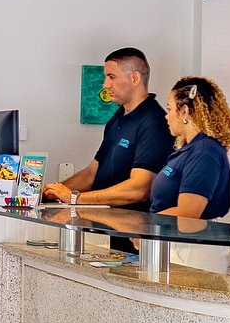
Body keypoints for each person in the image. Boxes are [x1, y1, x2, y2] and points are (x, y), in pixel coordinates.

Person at [41, 48, 172, 207]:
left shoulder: (154, 123)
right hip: (105, 220)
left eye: (111, 77)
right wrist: (49, 193)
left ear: (135, 78)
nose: (105, 85)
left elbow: (139, 189)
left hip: (134, 222)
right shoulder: (117, 119)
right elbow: (91, 174)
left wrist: (74, 198)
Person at [151, 75, 230, 273]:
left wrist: (147, 225)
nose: (166, 116)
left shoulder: (204, 152)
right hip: (177, 244)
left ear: (184, 111)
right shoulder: (188, 149)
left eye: (169, 109)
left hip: (193, 250)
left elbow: (188, 218)